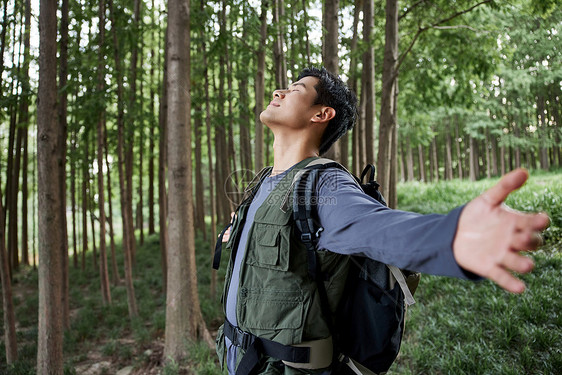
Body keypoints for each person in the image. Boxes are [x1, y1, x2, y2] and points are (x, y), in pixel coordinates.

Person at [215, 67, 550, 375]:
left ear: (322, 113)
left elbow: (380, 229)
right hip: (240, 362)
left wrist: (455, 235)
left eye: (295, 89)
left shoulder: (324, 184)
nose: (278, 92)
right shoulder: (263, 180)